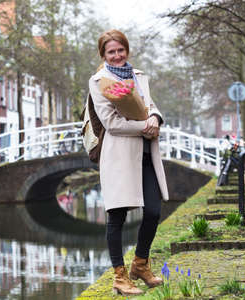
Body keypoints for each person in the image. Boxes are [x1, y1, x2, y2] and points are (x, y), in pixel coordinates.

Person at [88, 29, 169, 296]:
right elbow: (111, 123)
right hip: (120, 155)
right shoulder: (99, 81)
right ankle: (120, 277)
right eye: (111, 52)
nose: (117, 55)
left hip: (146, 152)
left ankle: (141, 265)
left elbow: (151, 104)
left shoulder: (139, 76)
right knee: (117, 216)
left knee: (154, 211)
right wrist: (144, 125)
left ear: (127, 50)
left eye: (120, 50)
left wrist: (155, 117)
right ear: (104, 55)